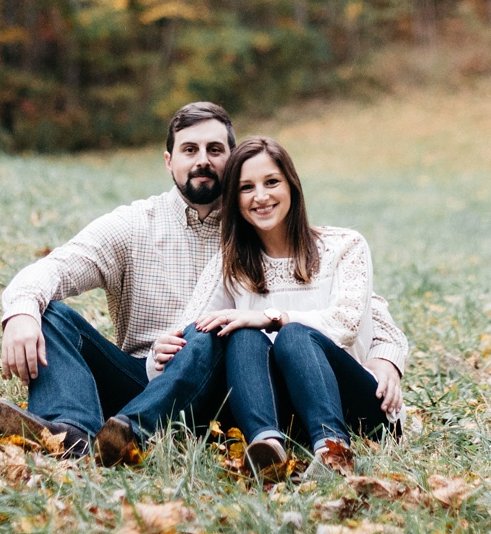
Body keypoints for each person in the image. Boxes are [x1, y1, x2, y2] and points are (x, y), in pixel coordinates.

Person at [0, 102, 407, 465]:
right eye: (189, 150)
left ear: (235, 160)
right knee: (51, 314)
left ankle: (133, 430)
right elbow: (57, 267)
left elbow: (360, 304)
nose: (202, 160)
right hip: (148, 375)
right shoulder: (135, 225)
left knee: (208, 335)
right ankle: (71, 430)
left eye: (215, 150)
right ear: (169, 161)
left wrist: (386, 357)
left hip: (232, 386)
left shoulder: (257, 221)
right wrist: (22, 312)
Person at [168, 135, 403, 477]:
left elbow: (350, 320)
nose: (261, 196)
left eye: (272, 182)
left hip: (359, 405)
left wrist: (270, 318)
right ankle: (266, 444)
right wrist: (166, 347)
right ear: (234, 199)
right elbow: (193, 331)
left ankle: (334, 450)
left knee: (294, 335)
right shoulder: (230, 263)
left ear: (292, 186)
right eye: (247, 187)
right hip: (287, 414)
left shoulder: (344, 246)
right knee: (244, 336)